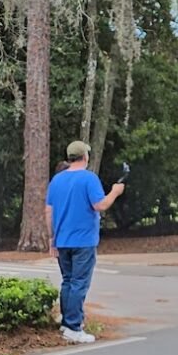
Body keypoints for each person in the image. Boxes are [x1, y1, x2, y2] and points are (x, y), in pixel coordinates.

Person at [46, 140, 125, 343]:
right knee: (79, 283)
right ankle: (73, 327)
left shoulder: (56, 180)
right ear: (85, 157)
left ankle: (66, 322)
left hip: (62, 239)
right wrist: (115, 192)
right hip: (83, 240)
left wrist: (52, 238)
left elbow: (49, 211)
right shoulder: (89, 179)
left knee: (68, 281)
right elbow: (100, 205)